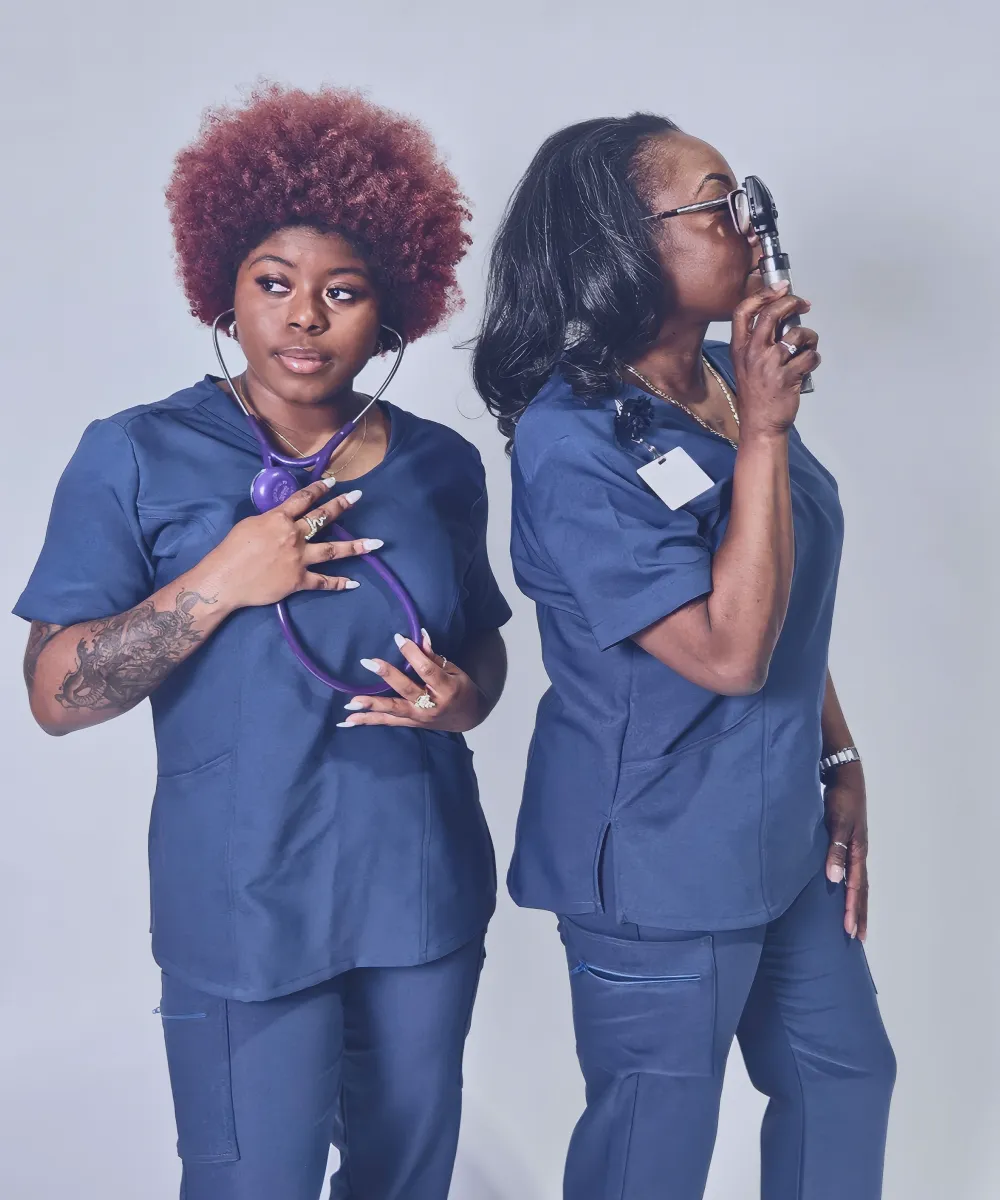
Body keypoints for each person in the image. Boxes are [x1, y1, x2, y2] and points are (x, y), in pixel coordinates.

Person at [16, 84, 510, 1200]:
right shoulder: (134, 455)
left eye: (341, 293)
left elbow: (483, 654)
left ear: (389, 313)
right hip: (243, 898)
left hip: (419, 885)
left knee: (403, 1184)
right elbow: (55, 695)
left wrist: (457, 698)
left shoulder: (440, 466)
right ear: (222, 293)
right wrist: (218, 583)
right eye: (273, 285)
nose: (303, 317)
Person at [473, 113, 895, 1199]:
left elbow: (783, 584)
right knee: (652, 1148)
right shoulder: (572, 444)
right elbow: (730, 651)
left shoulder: (719, 377)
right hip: (657, 857)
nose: (744, 224)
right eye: (714, 204)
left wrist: (835, 758)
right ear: (621, 241)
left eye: (739, 196)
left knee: (845, 1076)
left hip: (778, 833)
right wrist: (761, 431)